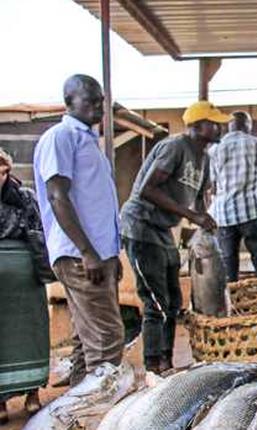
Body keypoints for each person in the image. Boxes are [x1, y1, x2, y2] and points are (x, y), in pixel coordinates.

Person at [120, 101, 227, 373]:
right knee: (156, 301)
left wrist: (205, 218)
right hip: (141, 226)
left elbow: (201, 198)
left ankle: (166, 359)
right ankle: (153, 365)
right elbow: (148, 190)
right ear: (197, 126)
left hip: (164, 230)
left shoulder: (205, 157)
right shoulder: (175, 147)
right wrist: (192, 217)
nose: (219, 127)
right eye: (214, 122)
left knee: (174, 301)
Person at [32, 75, 125, 386]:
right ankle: (99, 411)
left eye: (101, 102)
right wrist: (88, 252)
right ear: (69, 102)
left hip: (97, 254)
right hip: (79, 254)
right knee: (107, 340)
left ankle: (77, 412)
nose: (99, 108)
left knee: (87, 344)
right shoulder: (60, 137)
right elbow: (57, 195)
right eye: (91, 102)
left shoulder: (88, 141)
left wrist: (109, 256)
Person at [0, 150, 46, 423]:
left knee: (32, 331)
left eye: (2, 172)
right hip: (17, 272)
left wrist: (42, 270)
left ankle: (32, 395)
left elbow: (38, 232)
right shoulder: (26, 197)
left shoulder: (25, 197)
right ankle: (3, 401)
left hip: (25, 275)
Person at [208, 111, 257, 281]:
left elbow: (213, 186)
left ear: (230, 126)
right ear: (247, 126)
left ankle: (232, 302)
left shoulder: (214, 149)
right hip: (251, 211)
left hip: (224, 215)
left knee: (228, 264)